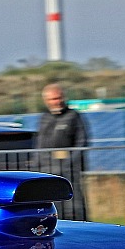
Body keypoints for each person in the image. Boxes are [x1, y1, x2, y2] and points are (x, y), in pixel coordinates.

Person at [37, 83, 89, 220]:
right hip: (48, 169)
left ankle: (79, 225)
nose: (57, 102)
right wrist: (38, 164)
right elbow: (40, 143)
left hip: (70, 170)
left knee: (75, 204)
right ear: (46, 100)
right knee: (53, 204)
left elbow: (82, 141)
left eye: (59, 98)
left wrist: (70, 161)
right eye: (53, 99)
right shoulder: (44, 118)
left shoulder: (74, 116)